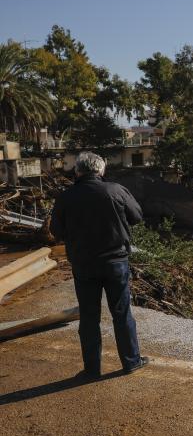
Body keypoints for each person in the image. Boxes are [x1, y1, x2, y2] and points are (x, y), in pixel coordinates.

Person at [50, 152, 149, 379]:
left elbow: (56, 231)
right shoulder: (116, 190)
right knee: (122, 313)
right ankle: (131, 362)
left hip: (84, 265)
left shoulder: (66, 197)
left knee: (89, 317)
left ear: (78, 171)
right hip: (115, 263)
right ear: (101, 170)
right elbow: (137, 216)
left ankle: (92, 370)